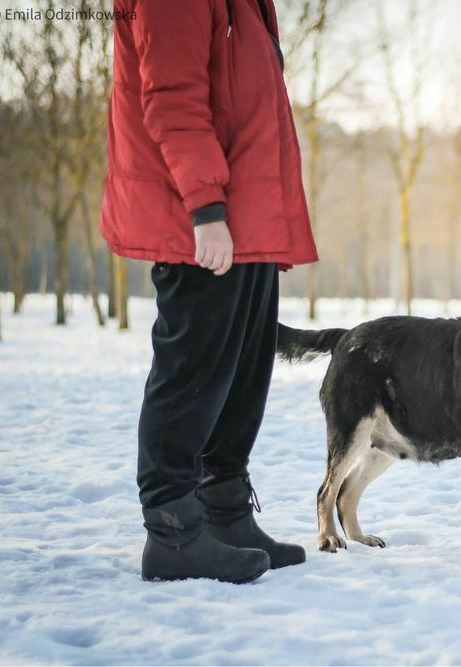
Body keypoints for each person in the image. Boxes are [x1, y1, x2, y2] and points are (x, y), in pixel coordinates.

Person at [100, 0, 318, 583]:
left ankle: (224, 515)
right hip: (200, 218)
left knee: (243, 374)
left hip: (245, 215)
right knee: (193, 374)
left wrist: (264, 221)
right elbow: (172, 99)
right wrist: (206, 207)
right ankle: (173, 534)